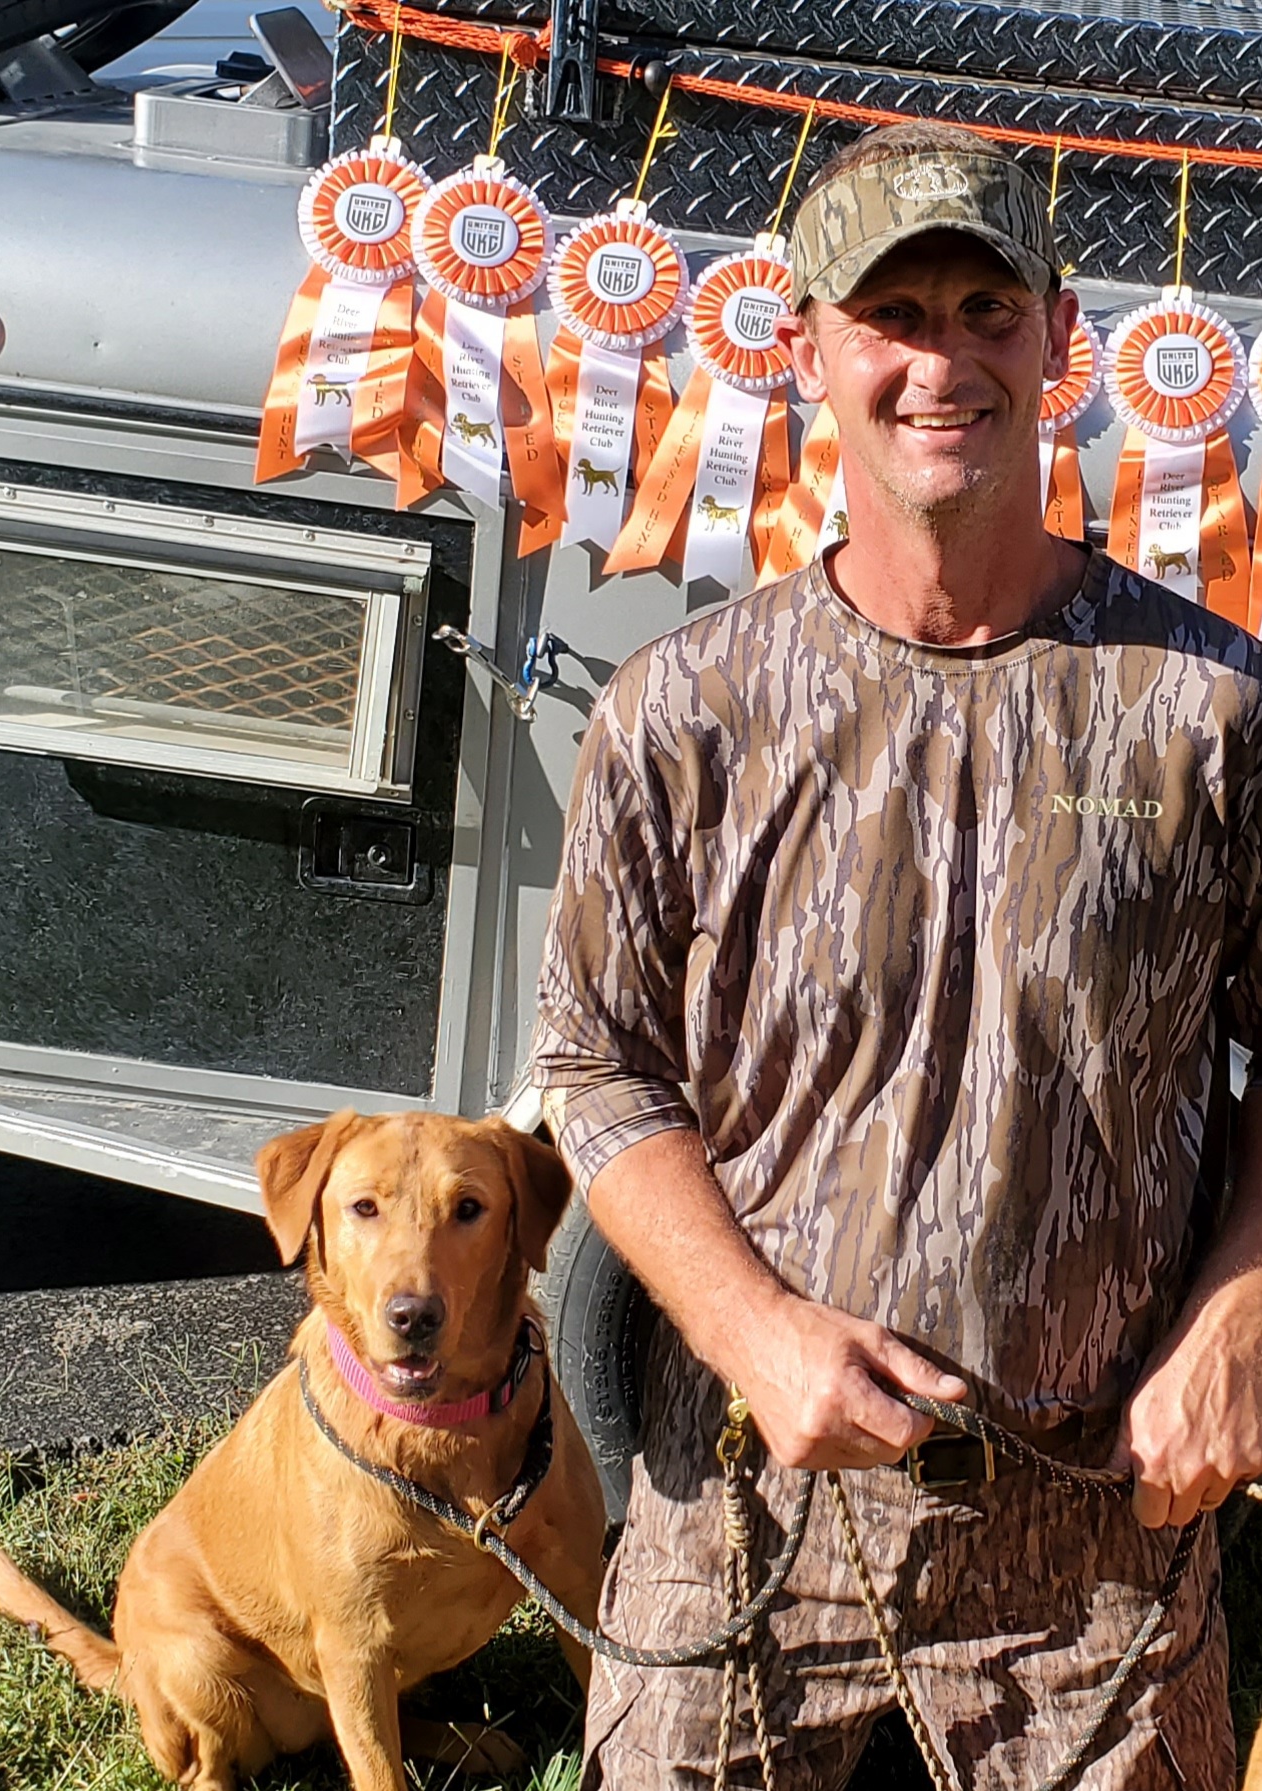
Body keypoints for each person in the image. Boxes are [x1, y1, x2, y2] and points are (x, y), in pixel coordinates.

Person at [530, 119, 1262, 1789]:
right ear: (808, 352)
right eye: (896, 317)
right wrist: (755, 1331)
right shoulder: (690, 714)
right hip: (746, 1512)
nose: (945, 364)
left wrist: (1243, 1315)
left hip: (1094, 1542)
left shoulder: (1208, 709)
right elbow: (595, 1063)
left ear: (1061, 342)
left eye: (987, 314)